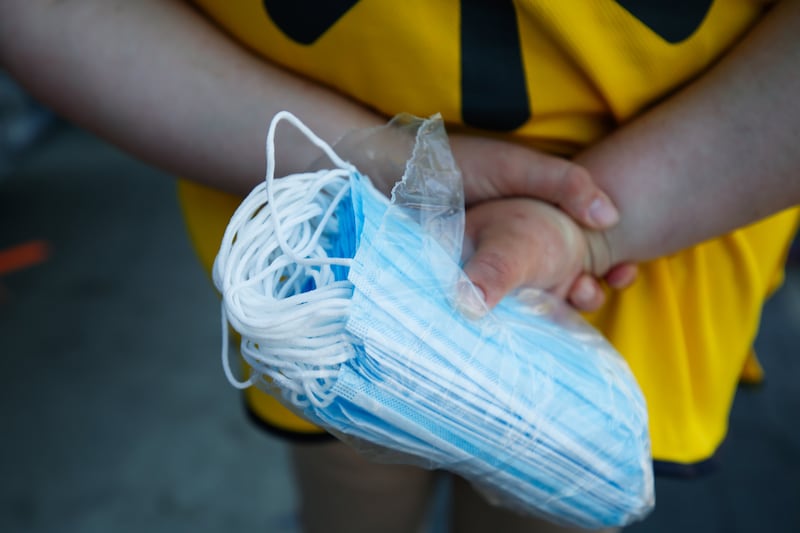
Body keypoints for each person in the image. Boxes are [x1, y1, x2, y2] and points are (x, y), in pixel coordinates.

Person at [2, 1, 799, 531]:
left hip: (670, 210)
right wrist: (369, 159)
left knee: (545, 495)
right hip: (330, 241)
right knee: (353, 488)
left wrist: (600, 224)